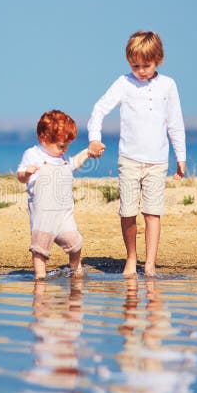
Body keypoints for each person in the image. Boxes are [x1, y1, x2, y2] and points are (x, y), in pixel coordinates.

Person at [87, 30, 186, 276]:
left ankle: (150, 263)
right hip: (129, 160)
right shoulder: (124, 83)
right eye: (135, 65)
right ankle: (131, 257)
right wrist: (94, 140)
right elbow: (99, 110)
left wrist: (180, 157)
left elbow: (175, 123)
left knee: (153, 213)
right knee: (128, 212)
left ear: (159, 60)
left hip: (157, 162)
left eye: (146, 65)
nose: (140, 70)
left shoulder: (168, 85)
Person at [17, 110, 90, 279]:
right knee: (40, 249)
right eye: (61, 146)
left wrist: (88, 152)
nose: (64, 149)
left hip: (64, 215)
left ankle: (75, 269)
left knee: (75, 243)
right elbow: (21, 176)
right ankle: (40, 277)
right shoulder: (33, 154)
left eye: (67, 145)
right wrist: (27, 173)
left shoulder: (63, 158)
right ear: (44, 139)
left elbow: (75, 164)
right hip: (43, 216)